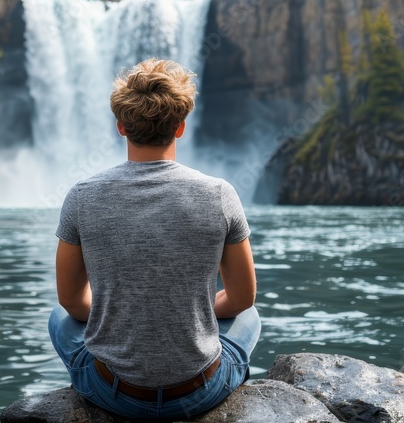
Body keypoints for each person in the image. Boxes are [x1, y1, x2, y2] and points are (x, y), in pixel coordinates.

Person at [48, 58, 260, 419]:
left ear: (120, 127)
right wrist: (192, 316)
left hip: (114, 393)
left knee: (58, 318)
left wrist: (114, 315)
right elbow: (242, 297)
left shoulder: (82, 196)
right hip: (199, 391)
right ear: (180, 127)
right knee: (250, 316)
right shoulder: (219, 194)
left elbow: (70, 300)